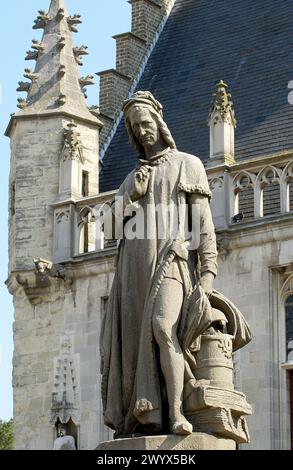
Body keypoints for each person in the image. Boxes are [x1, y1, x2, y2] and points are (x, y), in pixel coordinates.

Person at [100, 91, 218, 438]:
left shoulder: (187, 164)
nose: (143, 131)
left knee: (164, 328)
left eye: (147, 123)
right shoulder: (132, 178)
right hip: (133, 272)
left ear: (159, 123)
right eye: (136, 127)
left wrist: (207, 278)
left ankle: (178, 412)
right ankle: (146, 416)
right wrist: (129, 197)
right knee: (136, 345)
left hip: (172, 261)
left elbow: (204, 228)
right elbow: (107, 230)